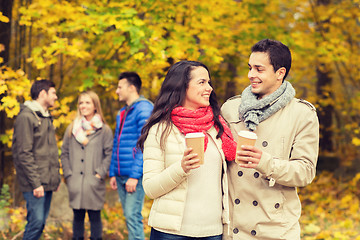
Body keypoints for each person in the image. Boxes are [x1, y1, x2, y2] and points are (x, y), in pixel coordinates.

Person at [221, 39, 319, 239]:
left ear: (280, 73)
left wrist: (266, 163)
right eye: (250, 68)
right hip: (233, 229)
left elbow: (306, 172)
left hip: (275, 229)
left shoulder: (301, 113)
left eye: (259, 69)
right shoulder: (231, 108)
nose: (251, 75)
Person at [137, 60, 238, 240]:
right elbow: (150, 188)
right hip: (171, 232)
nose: (209, 88)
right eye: (202, 82)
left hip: (213, 232)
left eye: (209, 82)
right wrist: (181, 168)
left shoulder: (217, 127)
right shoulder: (161, 129)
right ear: (182, 87)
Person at [12, 79, 61, 240]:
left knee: (39, 223)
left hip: (46, 181)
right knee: (36, 222)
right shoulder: (26, 117)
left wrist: (55, 178)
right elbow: (24, 153)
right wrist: (36, 183)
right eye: (53, 93)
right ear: (42, 94)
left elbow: (49, 152)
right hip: (34, 183)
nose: (56, 97)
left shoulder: (46, 117)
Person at [61, 91, 113, 240]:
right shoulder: (72, 128)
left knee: (95, 219)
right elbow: (64, 153)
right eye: (81, 103)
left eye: (87, 102)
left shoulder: (104, 130)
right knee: (77, 219)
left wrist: (99, 174)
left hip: (94, 182)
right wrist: (68, 174)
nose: (83, 106)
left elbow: (108, 154)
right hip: (75, 181)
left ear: (95, 106)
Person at [109, 72, 153, 240]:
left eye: (120, 87)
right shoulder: (122, 112)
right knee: (129, 217)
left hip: (134, 176)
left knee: (132, 215)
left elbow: (145, 144)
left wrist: (134, 176)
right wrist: (113, 172)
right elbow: (117, 143)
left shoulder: (144, 109)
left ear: (131, 88)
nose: (117, 91)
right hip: (120, 174)